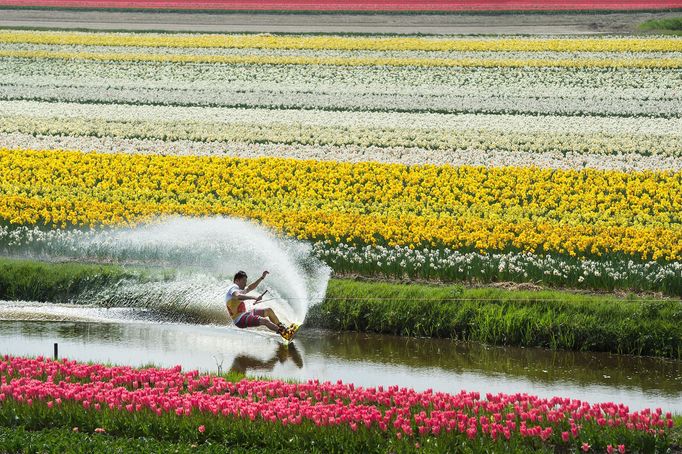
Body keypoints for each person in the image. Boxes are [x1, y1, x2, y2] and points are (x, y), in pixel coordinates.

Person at [225, 270, 287, 335]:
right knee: (265, 321)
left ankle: (281, 327)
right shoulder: (233, 288)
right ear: (237, 281)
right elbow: (238, 296)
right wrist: (254, 297)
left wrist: (262, 277)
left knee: (269, 310)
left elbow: (250, 287)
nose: (245, 284)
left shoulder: (240, 290)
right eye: (243, 281)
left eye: (246, 281)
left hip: (246, 314)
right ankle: (283, 333)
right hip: (240, 319)